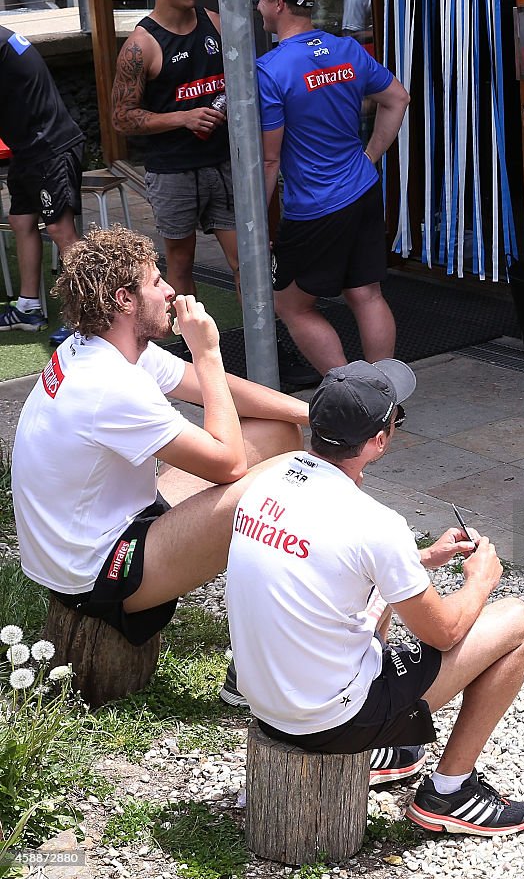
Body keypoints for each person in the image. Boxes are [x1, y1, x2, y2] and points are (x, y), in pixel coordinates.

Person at [225, 359, 524, 836]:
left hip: (267, 705)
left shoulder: (269, 479)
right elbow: (446, 631)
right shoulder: (373, 522)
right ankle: (450, 792)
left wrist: (422, 559)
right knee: (518, 622)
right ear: (377, 442)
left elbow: (330, 563)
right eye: (396, 422)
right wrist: (480, 581)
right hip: (330, 720)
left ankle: (389, 749)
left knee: (373, 603)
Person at [12, 226, 306, 661]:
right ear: (124, 301)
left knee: (280, 432)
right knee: (295, 476)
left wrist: (314, 413)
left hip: (111, 529)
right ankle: (261, 660)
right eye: (155, 281)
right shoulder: (109, 385)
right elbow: (227, 464)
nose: (170, 290)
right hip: (98, 575)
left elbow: (210, 388)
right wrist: (207, 352)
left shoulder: (101, 344)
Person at [252, 0, 410, 376]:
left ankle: (350, 395)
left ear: (279, 3)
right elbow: (398, 98)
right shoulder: (346, 49)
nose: (258, 5)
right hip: (361, 188)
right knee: (366, 293)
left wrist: (255, 225)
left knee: (291, 304)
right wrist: (369, 157)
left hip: (315, 205)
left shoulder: (270, 70)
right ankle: (383, 396)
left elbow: (270, 159)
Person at [111, 0, 238, 300]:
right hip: (173, 171)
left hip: (223, 164)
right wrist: (182, 118)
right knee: (180, 264)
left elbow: (244, 83)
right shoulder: (141, 46)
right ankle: (191, 347)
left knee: (247, 259)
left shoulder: (215, 22)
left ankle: (265, 350)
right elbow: (122, 118)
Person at [0, 25, 82, 345]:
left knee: (61, 231)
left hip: (50, 147)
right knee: (21, 220)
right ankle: (27, 308)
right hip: (27, 147)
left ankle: (84, 317)